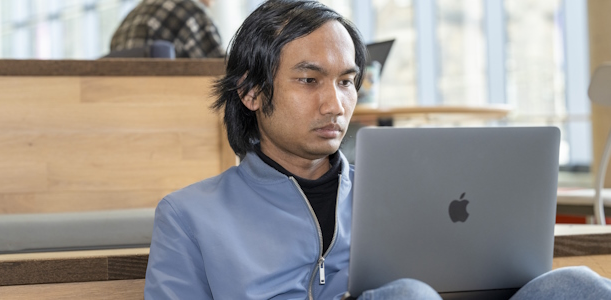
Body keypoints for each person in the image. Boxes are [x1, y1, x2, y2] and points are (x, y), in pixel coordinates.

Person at [144, 0, 611, 299]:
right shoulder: (190, 216)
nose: (335, 103)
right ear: (250, 92)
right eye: (309, 80)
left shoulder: (399, 194)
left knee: (579, 286)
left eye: (347, 82)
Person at [110, 0, 225, 58]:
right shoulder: (190, 12)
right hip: (168, 98)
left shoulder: (133, 15)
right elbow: (227, 76)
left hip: (124, 100)